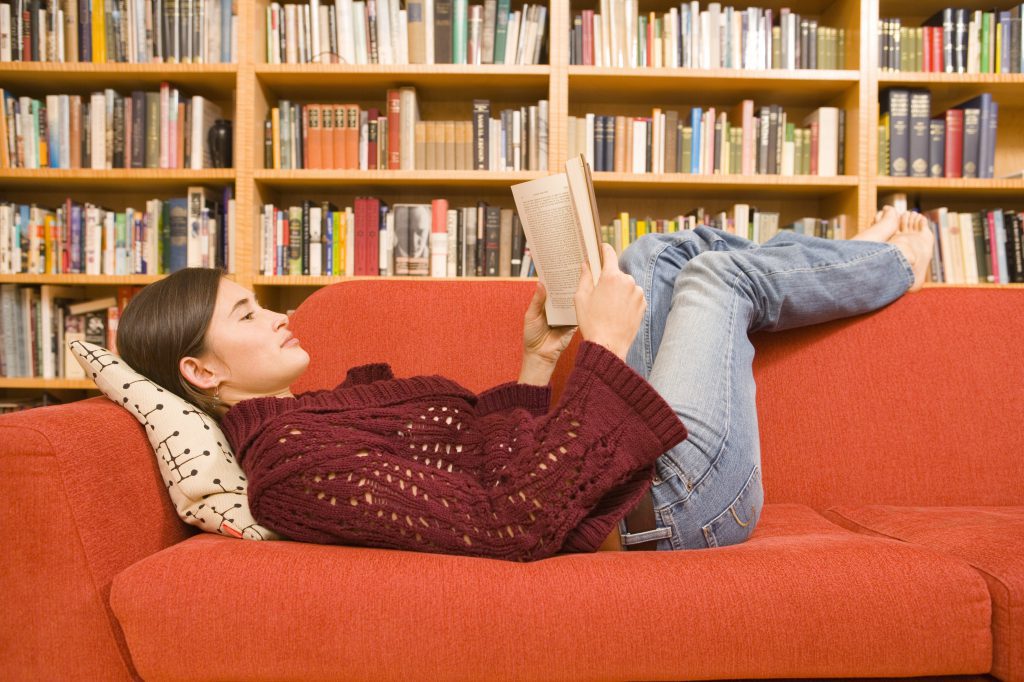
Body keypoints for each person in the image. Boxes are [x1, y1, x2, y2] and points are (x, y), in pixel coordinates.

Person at [115, 206, 934, 561]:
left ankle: (849, 255)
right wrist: (605, 347)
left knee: (656, 256)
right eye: (250, 315)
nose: (280, 315)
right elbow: (511, 522)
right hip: (669, 512)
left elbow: (485, 461)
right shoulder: (292, 470)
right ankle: (892, 261)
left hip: (626, 475)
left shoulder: (314, 419)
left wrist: (539, 360)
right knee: (718, 279)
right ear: (200, 371)